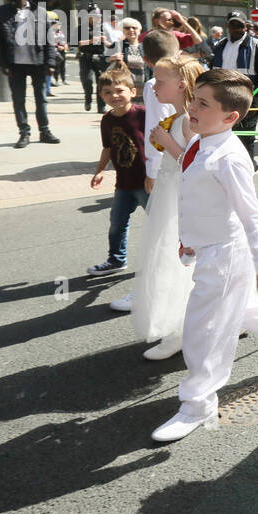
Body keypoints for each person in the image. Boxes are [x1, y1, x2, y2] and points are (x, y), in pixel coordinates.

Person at [152, 69, 258, 442]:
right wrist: (189, 238)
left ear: (230, 117)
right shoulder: (202, 142)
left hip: (226, 255)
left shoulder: (229, 157)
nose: (192, 108)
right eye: (194, 99)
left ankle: (197, 403)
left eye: (202, 104)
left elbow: (252, 216)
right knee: (244, 310)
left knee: (204, 329)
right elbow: (198, 197)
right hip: (210, 247)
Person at [129, 54, 206, 360]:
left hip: (179, 199)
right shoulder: (178, 117)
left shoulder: (188, 120)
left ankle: (180, 330)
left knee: (176, 261)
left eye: (160, 81)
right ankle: (185, 326)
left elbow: (195, 163)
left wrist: (166, 141)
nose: (154, 85)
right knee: (170, 259)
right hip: (168, 192)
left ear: (181, 85)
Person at [108, 30, 182, 314]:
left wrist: (151, 171)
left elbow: (157, 130)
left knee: (162, 234)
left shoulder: (155, 84)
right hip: (181, 164)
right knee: (177, 234)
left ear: (148, 58)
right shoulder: (188, 77)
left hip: (168, 167)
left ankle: (148, 292)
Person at [87, 62, 147, 276]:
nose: (114, 96)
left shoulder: (143, 115)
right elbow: (107, 147)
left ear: (133, 91)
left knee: (160, 223)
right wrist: (100, 170)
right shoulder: (107, 120)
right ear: (102, 96)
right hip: (123, 183)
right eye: (107, 92)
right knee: (117, 223)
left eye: (119, 90)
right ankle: (116, 260)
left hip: (146, 182)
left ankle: (172, 259)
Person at [0, 0, 59, 148]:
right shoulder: (1, 12)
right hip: (15, 64)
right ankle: (24, 133)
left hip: (38, 63)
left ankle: (44, 131)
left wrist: (50, 62)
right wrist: (2, 64)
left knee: (41, 99)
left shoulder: (39, 12)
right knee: (18, 99)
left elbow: (49, 40)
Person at [211, 11, 258, 169]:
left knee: (245, 143)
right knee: (224, 141)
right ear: (227, 26)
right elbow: (213, 72)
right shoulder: (220, 45)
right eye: (233, 25)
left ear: (246, 26)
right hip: (222, 103)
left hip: (246, 105)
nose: (237, 29)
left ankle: (248, 168)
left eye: (240, 25)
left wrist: (255, 103)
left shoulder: (257, 46)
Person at [77, 4, 109, 112]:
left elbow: (112, 42)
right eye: (95, 17)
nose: (98, 19)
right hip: (86, 57)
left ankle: (101, 106)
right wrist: (91, 41)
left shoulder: (104, 28)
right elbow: (77, 43)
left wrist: (106, 41)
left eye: (99, 17)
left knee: (101, 82)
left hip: (100, 58)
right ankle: (88, 98)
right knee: (87, 80)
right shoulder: (82, 28)